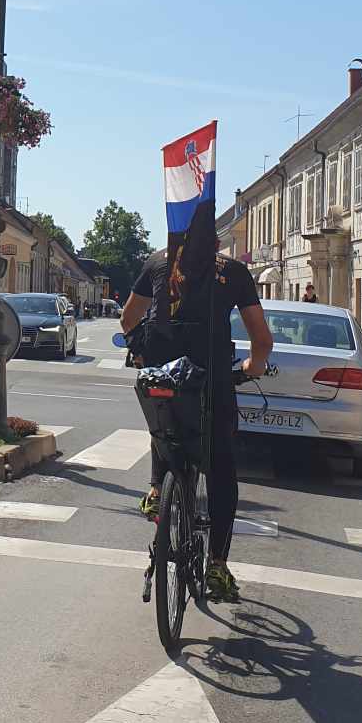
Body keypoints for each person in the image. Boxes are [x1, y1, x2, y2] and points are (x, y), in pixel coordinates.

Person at [121, 239, 273, 603]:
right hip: (212, 371)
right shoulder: (234, 271)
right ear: (215, 240)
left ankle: (158, 490)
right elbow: (260, 336)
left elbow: (128, 318)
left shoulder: (157, 261)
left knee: (164, 423)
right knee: (221, 467)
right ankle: (218, 565)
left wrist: (139, 352)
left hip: (162, 367)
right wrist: (255, 366)